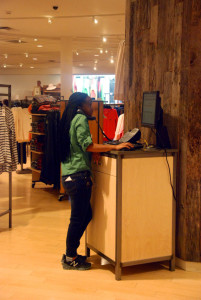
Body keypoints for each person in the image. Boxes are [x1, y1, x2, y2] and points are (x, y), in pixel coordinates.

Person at [60, 92, 133, 271]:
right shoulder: (80, 120)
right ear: (81, 104)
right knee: (78, 218)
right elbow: (88, 145)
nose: (92, 106)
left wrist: (94, 151)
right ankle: (70, 257)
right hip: (79, 177)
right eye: (89, 102)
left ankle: (71, 253)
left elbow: (80, 146)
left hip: (69, 175)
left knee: (85, 215)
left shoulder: (69, 118)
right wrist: (114, 146)